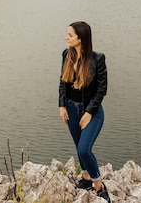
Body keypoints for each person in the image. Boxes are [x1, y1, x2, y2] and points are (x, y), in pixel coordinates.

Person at [58, 21, 111, 202]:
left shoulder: (98, 59)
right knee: (79, 149)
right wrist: (62, 106)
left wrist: (89, 112)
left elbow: (101, 89)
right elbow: (62, 83)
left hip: (92, 112)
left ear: (80, 39)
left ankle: (99, 185)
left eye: (70, 35)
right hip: (71, 110)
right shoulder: (67, 55)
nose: (66, 38)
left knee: (84, 149)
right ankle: (86, 179)